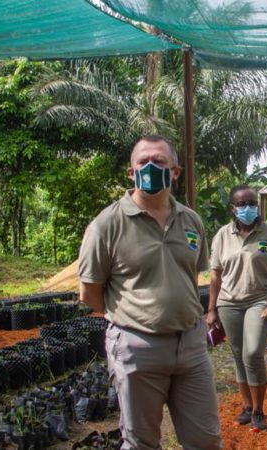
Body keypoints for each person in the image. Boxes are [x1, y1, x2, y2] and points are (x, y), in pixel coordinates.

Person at [78, 135, 221, 450]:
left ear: (175, 172)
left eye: (160, 162)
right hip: (137, 349)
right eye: (143, 162)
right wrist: (135, 318)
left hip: (191, 346)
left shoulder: (191, 220)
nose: (151, 167)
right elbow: (89, 294)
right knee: (141, 442)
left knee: (206, 439)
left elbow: (191, 273)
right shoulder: (107, 225)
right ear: (131, 173)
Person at [207, 185, 267, 432]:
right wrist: (211, 309)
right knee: (239, 354)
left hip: (259, 300)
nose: (248, 208)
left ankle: (259, 410)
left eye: (252, 203)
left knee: (253, 353)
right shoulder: (222, 235)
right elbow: (215, 275)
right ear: (233, 208)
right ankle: (247, 407)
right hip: (228, 303)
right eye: (242, 204)